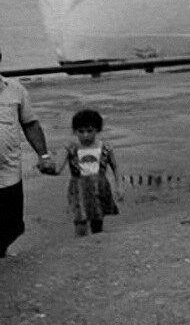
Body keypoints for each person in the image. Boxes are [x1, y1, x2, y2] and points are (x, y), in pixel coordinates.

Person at [0, 43, 57, 257]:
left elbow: (30, 124)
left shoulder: (15, 90)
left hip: (9, 173)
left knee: (12, 225)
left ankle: (2, 253)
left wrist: (44, 155)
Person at [50, 108, 122, 237]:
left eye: (90, 131)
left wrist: (119, 187)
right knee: (80, 221)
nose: (85, 135)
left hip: (99, 188)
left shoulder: (105, 148)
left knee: (98, 220)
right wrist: (46, 167)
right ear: (75, 131)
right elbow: (58, 169)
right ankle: (80, 248)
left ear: (97, 130)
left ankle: (96, 247)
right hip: (79, 189)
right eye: (80, 131)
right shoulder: (70, 148)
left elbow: (115, 167)